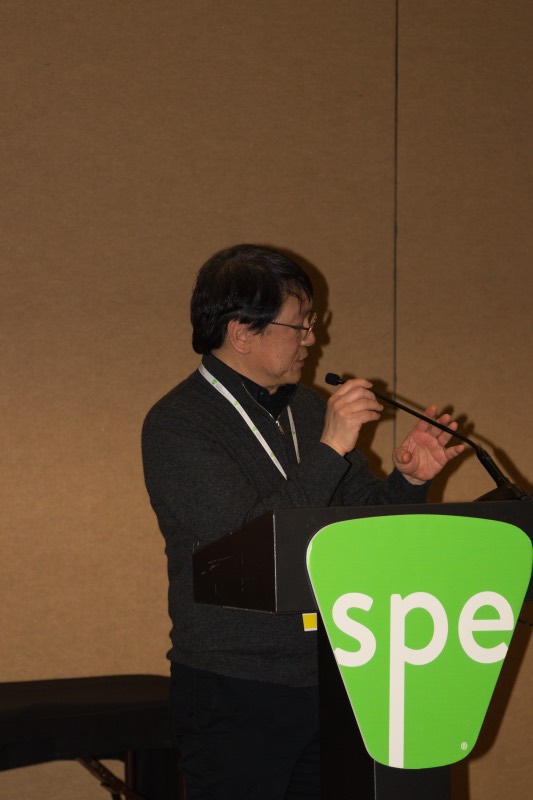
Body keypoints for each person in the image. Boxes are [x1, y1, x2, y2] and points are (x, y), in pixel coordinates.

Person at [141, 243, 464, 800]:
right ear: (242, 333)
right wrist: (331, 447)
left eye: (312, 322)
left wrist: (410, 480)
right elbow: (249, 543)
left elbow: (360, 524)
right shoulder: (178, 425)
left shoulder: (307, 408)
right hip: (234, 687)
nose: (312, 339)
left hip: (335, 673)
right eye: (301, 324)